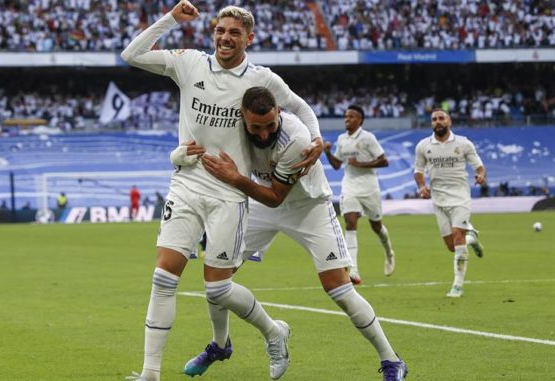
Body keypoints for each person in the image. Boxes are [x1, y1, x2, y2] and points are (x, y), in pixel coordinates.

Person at [121, 2, 323, 380]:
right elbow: (131, 55)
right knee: (164, 277)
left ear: (249, 38)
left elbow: (300, 106)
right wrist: (170, 20)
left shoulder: (262, 79)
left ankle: (273, 330)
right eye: (220, 30)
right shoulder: (190, 63)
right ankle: (150, 373)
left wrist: (316, 138)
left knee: (218, 291)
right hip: (186, 184)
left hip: (230, 194)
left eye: (234, 33)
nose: (225, 37)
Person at [177, 87, 407, 381]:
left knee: (339, 289)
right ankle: (220, 345)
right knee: (217, 277)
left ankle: (391, 360)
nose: (263, 135)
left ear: (279, 114)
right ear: (242, 117)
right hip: (259, 204)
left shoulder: (296, 139)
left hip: (307, 206)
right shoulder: (231, 127)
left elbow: (275, 197)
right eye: (255, 128)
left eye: (270, 126)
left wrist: (234, 177)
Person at [414, 109, 486, 298]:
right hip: (438, 199)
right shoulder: (423, 146)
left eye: (441, 118)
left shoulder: (463, 143)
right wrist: (421, 186)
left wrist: (480, 175)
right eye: (434, 119)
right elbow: (418, 170)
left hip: (460, 197)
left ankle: (458, 285)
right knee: (451, 246)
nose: (437, 122)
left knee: (457, 237)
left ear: (449, 121)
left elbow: (478, 165)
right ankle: (473, 238)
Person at [323, 105, 395, 284]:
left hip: (370, 187)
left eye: (352, 116)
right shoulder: (341, 139)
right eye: (346, 116)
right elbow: (337, 165)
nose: (347, 119)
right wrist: (327, 152)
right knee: (350, 223)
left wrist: (360, 164)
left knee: (376, 226)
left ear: (360, 120)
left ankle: (389, 252)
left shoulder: (368, 138)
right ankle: (353, 270)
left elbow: (384, 161)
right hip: (350, 186)